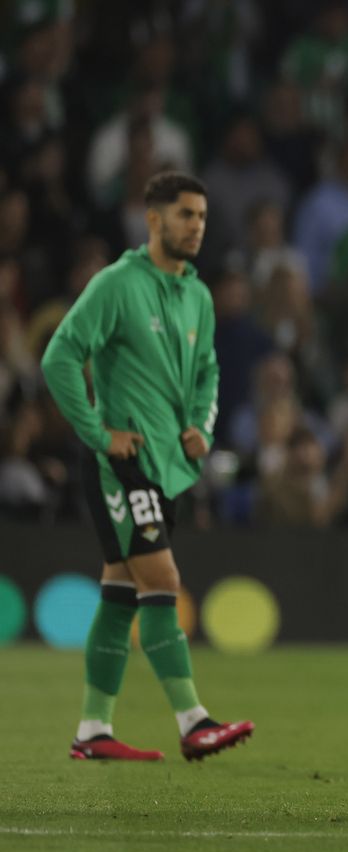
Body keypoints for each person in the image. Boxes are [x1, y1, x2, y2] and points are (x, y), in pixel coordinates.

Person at [41, 172, 254, 763]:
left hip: (167, 467)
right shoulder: (117, 285)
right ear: (153, 220)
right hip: (123, 465)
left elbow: (208, 373)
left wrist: (201, 427)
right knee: (161, 582)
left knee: (118, 592)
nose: (197, 227)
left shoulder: (198, 295)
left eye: (203, 216)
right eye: (185, 215)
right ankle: (193, 722)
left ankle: (92, 729)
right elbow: (60, 356)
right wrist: (96, 433)